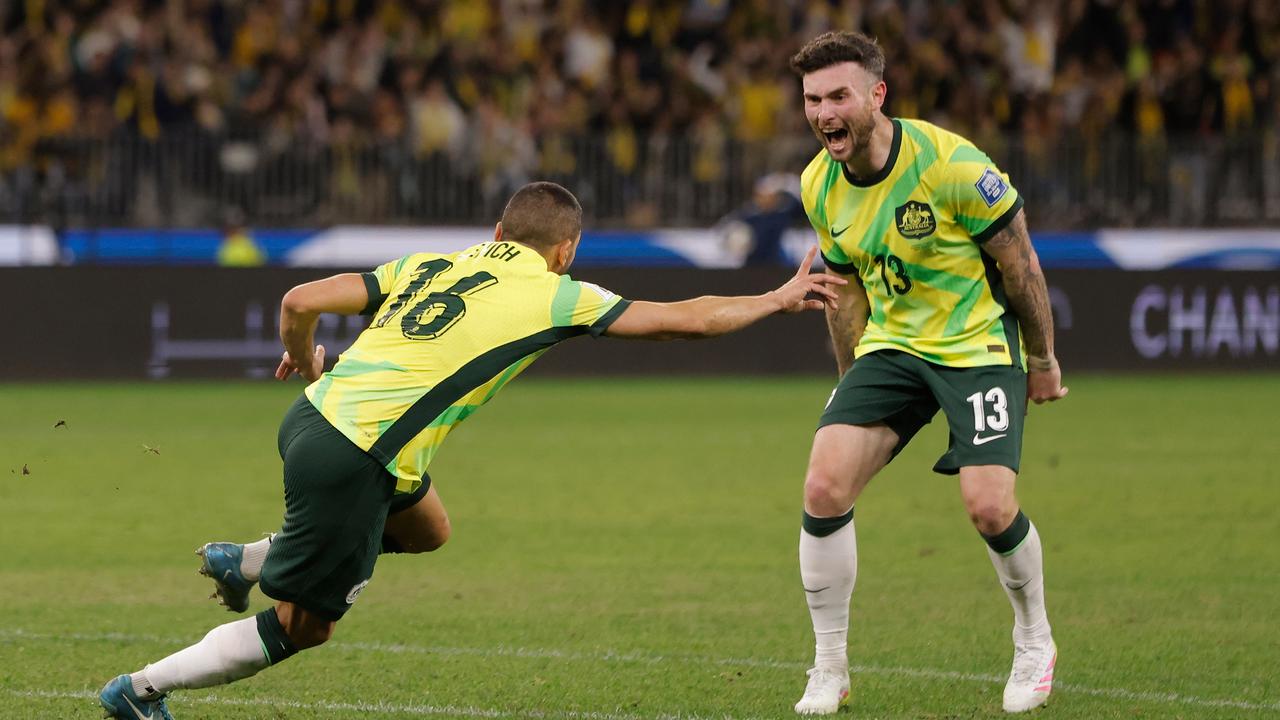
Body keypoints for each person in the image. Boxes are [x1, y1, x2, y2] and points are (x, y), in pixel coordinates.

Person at [97, 181, 846, 720]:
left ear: (497, 229)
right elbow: (684, 319)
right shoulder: (558, 293)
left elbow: (298, 301)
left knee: (428, 528)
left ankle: (247, 561)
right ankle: (141, 690)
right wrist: (775, 298)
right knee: (304, 626)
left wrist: (303, 356)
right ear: (566, 250)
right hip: (359, 454)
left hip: (314, 420)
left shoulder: (430, 265)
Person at [787, 32, 1068, 715]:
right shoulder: (818, 184)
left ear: (876, 96)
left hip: (976, 345)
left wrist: (1042, 359)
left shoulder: (951, 166)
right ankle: (829, 668)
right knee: (823, 486)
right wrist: (849, 382)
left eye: (839, 96)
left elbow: (1021, 265)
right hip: (893, 348)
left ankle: (1035, 639)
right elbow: (845, 290)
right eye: (813, 100)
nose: (824, 113)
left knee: (989, 505)